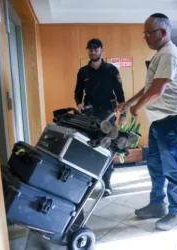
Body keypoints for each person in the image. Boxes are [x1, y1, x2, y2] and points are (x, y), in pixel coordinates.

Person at [116, 13, 177, 231]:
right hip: (160, 122)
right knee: (155, 166)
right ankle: (157, 204)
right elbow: (149, 87)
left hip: (173, 121)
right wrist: (129, 103)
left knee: (172, 169)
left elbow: (158, 91)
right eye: (144, 33)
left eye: (148, 33)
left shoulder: (169, 54)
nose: (145, 37)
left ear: (164, 32)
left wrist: (137, 108)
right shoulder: (161, 55)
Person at [74, 38, 126, 197]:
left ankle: (107, 183)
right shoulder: (83, 71)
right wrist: (79, 103)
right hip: (89, 115)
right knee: (89, 146)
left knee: (107, 146)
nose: (92, 51)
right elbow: (77, 92)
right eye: (90, 49)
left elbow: (120, 94)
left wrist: (123, 114)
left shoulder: (111, 70)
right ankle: (90, 182)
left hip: (108, 115)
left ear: (102, 50)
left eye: (95, 49)